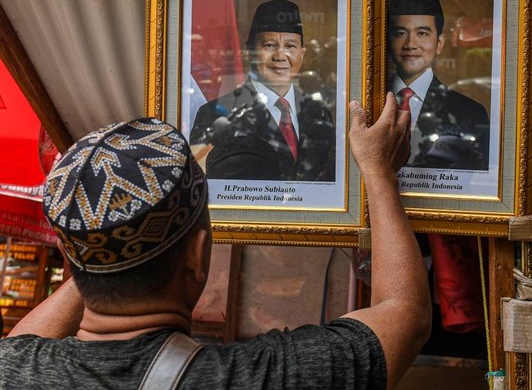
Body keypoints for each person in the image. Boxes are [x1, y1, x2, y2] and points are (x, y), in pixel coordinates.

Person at [0, 93, 430, 389]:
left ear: (70, 261)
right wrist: (378, 170)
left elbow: (20, 344)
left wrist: (98, 247)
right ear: (198, 256)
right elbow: (404, 314)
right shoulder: (263, 378)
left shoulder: (13, 372)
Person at [190, 0, 336, 182]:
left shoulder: (318, 112)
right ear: (249, 51)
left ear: (302, 53)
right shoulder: (213, 114)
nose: (281, 56)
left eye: (290, 46)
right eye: (269, 45)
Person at [388, 0, 490, 170]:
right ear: (388, 41)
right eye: (400, 33)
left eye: (422, 33)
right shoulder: (364, 101)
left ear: (440, 44)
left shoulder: (471, 113)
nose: (410, 44)